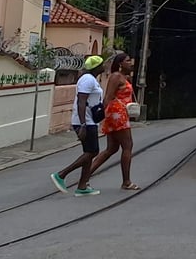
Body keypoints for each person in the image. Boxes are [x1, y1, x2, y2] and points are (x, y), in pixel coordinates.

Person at [51, 55, 106, 197]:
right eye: (102, 64)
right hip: (85, 121)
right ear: (96, 67)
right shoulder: (87, 80)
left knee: (89, 152)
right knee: (92, 152)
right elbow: (81, 102)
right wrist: (82, 124)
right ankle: (62, 174)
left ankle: (83, 185)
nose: (104, 66)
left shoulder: (91, 80)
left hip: (90, 120)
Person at [86, 53, 139, 190]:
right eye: (127, 61)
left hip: (120, 114)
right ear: (120, 63)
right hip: (117, 114)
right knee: (127, 146)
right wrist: (101, 115)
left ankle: (85, 176)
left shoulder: (124, 77)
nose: (130, 63)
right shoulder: (116, 77)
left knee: (112, 149)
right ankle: (126, 182)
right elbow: (108, 97)